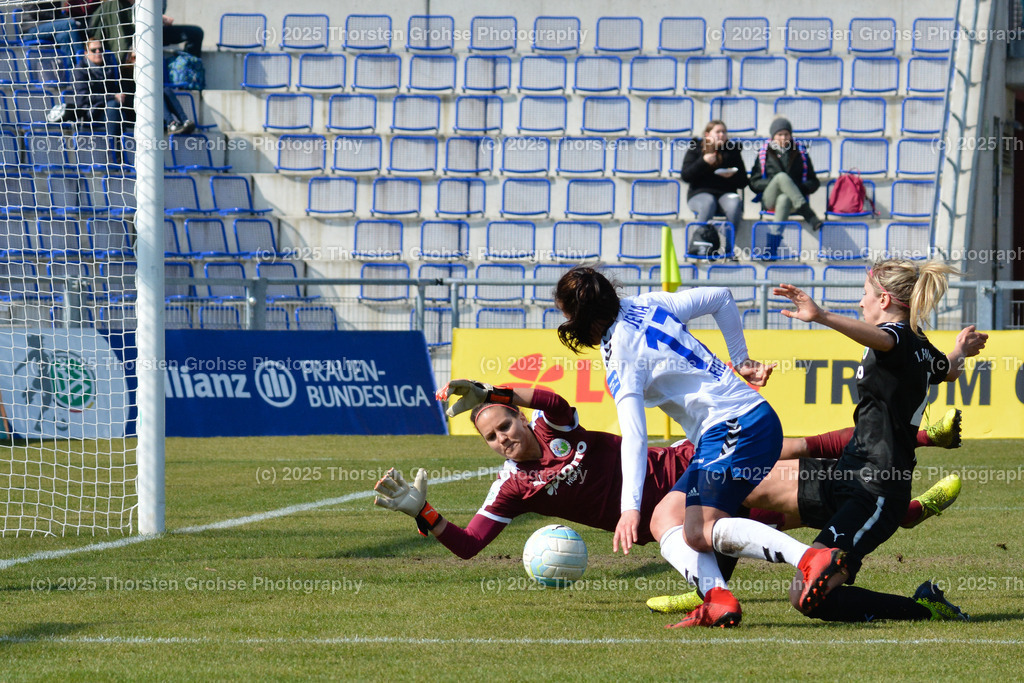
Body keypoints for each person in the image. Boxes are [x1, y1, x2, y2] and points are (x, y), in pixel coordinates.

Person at [373, 381, 965, 620]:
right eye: (493, 435)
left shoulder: (554, 427)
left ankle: (911, 456)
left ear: (520, 418)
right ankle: (899, 512)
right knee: (780, 501)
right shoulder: (512, 487)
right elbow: (472, 545)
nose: (506, 436)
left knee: (790, 455)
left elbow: (551, 396)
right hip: (672, 517)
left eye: (507, 422)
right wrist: (420, 514)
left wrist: (491, 388)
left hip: (683, 464)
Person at [773, 259, 988, 623]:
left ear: (884, 299)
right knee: (746, 483)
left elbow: (885, 339)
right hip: (847, 473)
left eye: (865, 295)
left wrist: (821, 315)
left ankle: (924, 609)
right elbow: (947, 369)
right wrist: (960, 351)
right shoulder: (918, 345)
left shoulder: (899, 338)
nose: (861, 302)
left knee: (807, 597)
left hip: (877, 488)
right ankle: (710, 582)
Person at [749, 117, 822, 258]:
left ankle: (771, 248)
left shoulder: (800, 153)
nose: (783, 138)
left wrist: (795, 188)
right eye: (779, 134)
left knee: (783, 198)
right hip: (770, 199)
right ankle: (808, 214)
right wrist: (774, 183)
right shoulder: (764, 153)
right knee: (781, 177)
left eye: (786, 134)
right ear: (773, 136)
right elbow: (754, 182)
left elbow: (814, 181)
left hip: (791, 201)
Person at [680, 120, 747, 230]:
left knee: (734, 203)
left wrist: (732, 176)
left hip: (725, 193)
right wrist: (703, 162)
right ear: (707, 134)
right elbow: (685, 176)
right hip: (700, 193)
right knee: (708, 203)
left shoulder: (732, 150)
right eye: (718, 132)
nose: (722, 135)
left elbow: (743, 182)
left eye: (724, 132)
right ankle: (700, 241)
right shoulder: (696, 148)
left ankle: (728, 243)